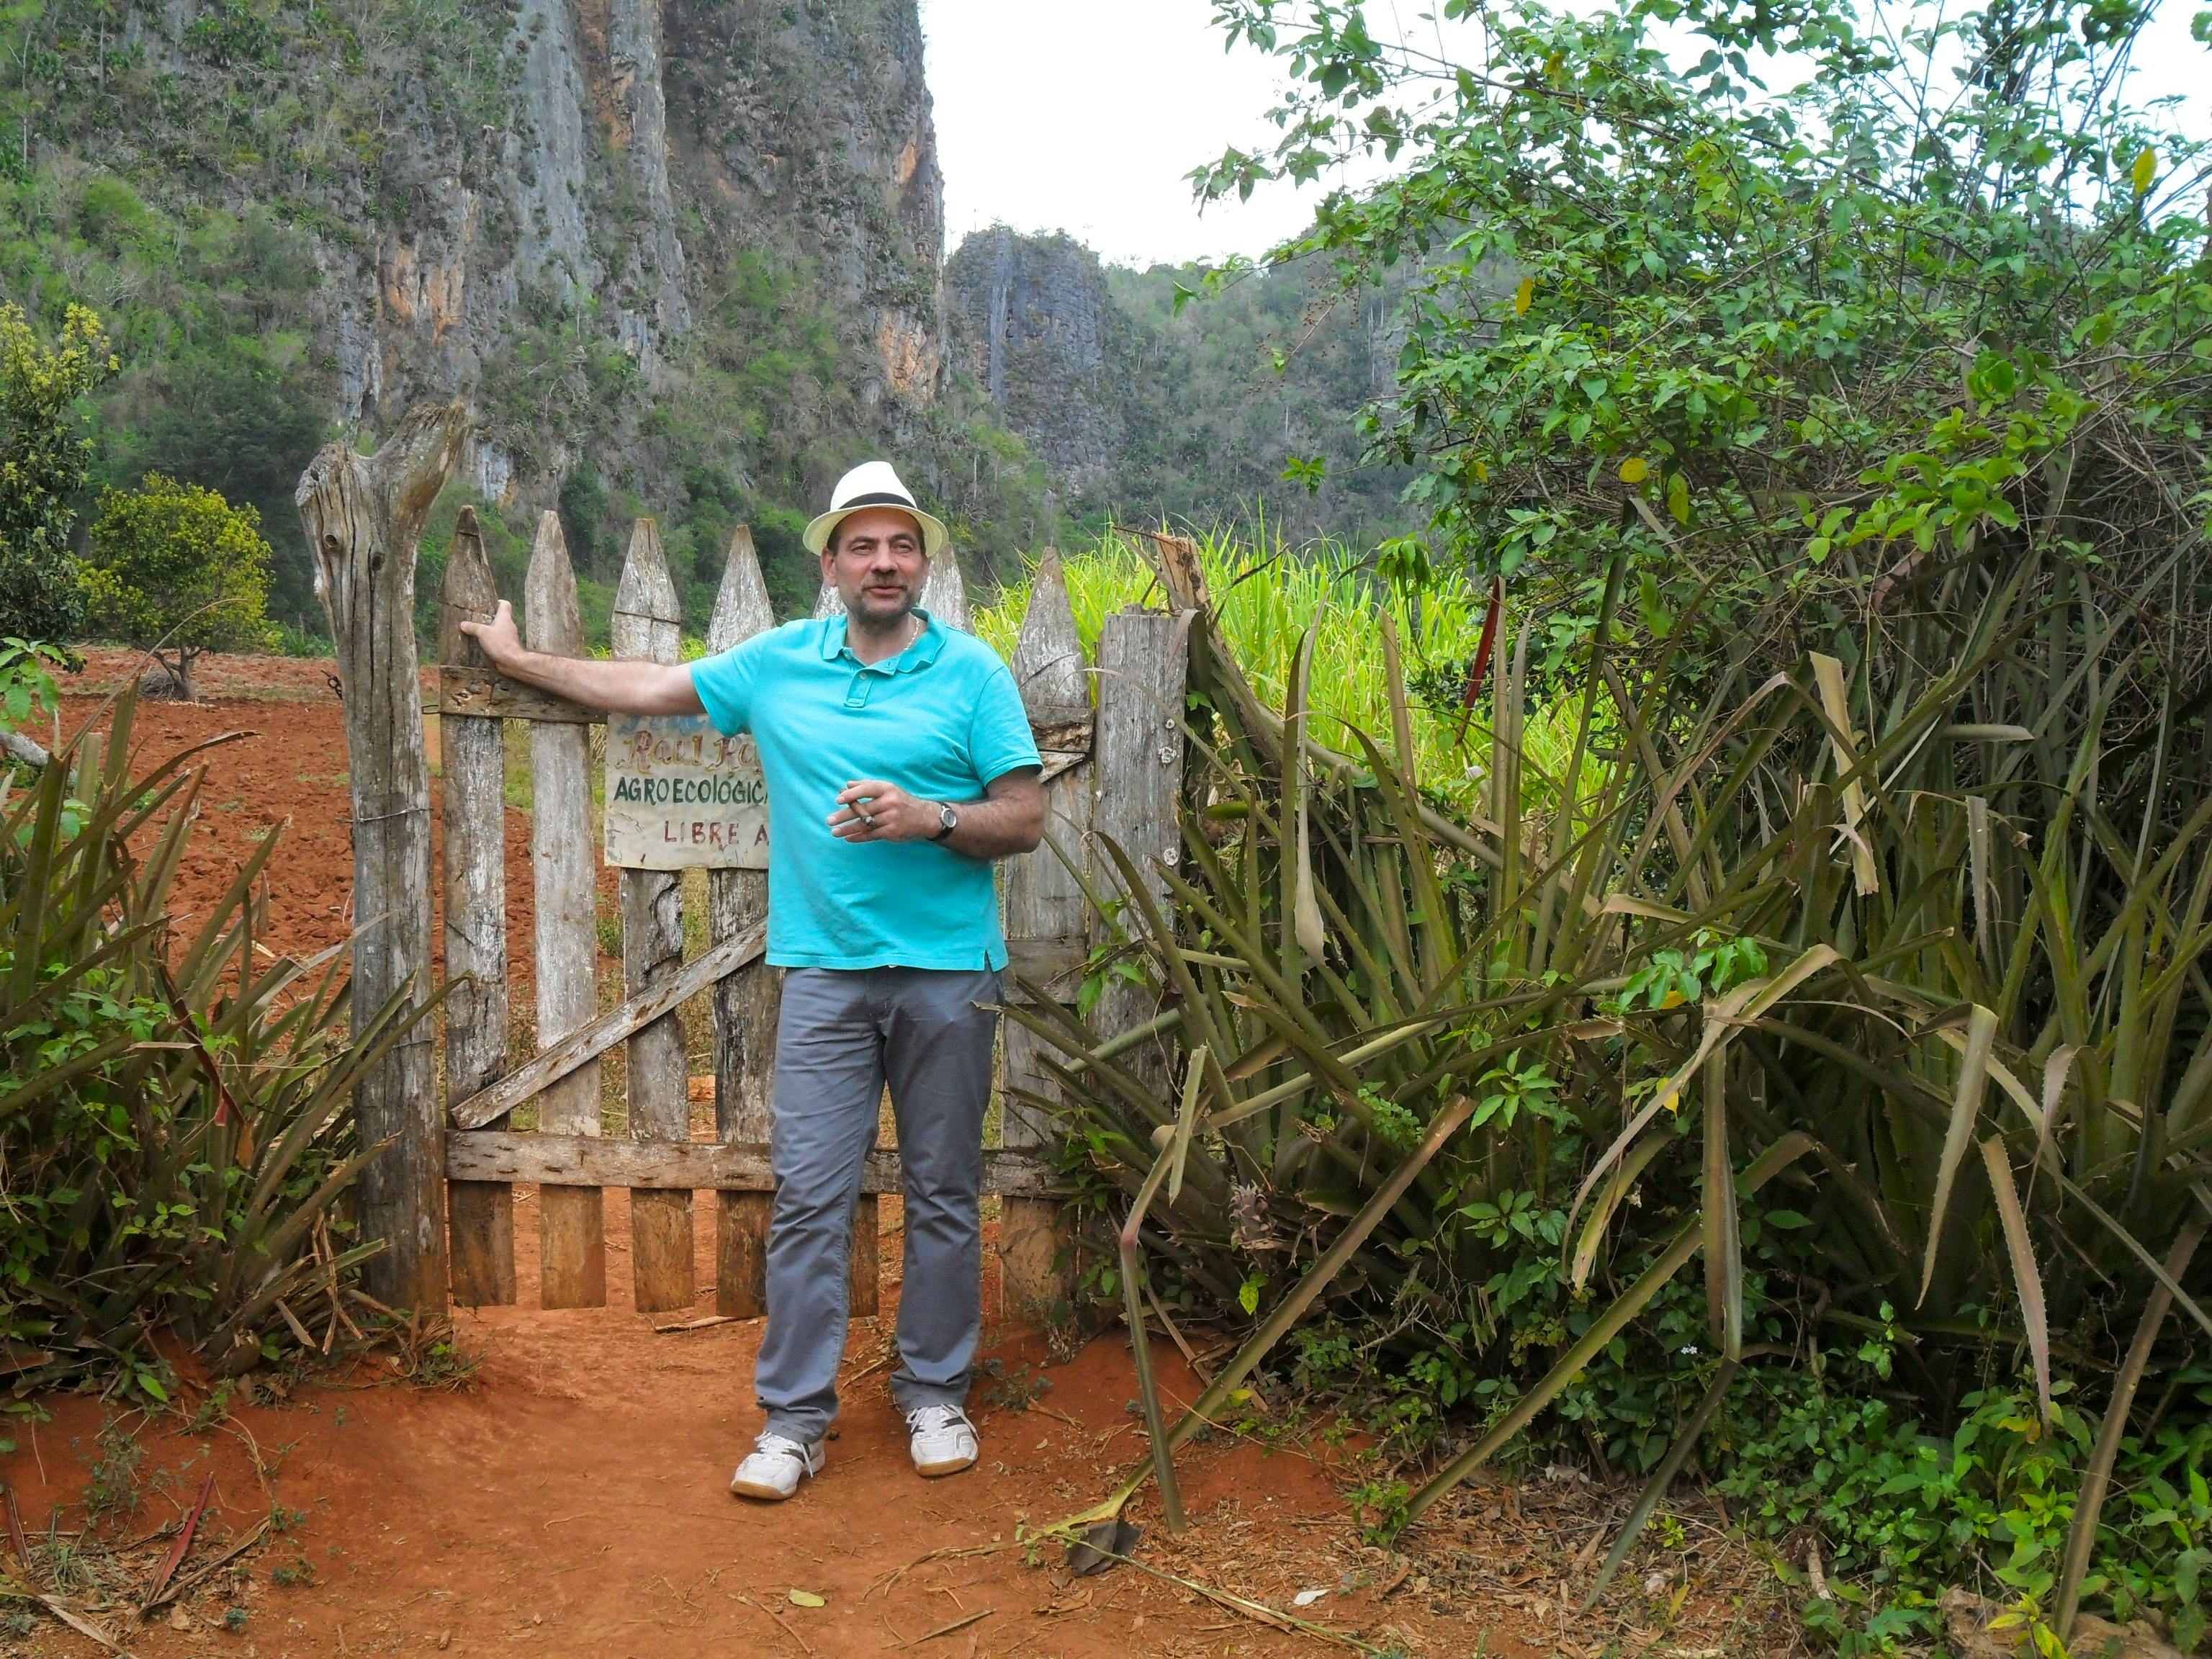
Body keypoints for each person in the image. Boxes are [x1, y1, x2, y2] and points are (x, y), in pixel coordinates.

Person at [460, 461, 1045, 1501]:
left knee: (946, 1194)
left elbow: (1025, 816)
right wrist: (516, 660)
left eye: (900, 545)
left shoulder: (973, 674)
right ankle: (795, 1421)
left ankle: (933, 1396)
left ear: (922, 563)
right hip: (824, 975)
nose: (883, 562)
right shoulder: (779, 664)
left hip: (950, 976)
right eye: (862, 546)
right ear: (830, 564)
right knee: (812, 1197)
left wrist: (933, 817)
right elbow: (644, 688)